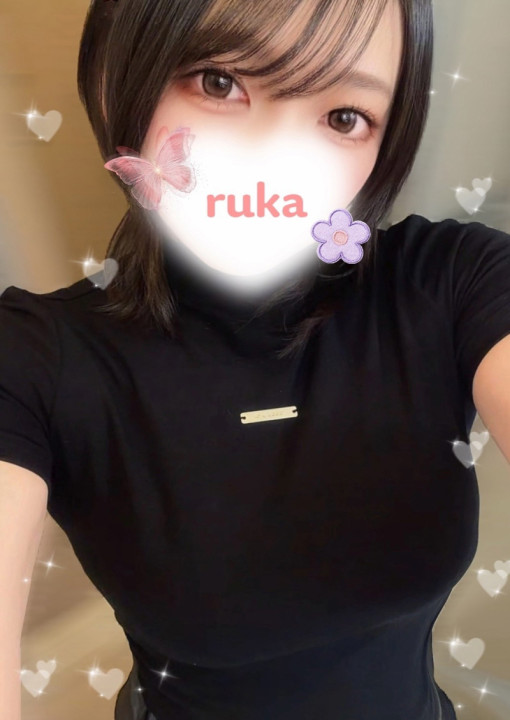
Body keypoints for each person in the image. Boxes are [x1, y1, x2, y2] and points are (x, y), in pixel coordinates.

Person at [1, 1, 510, 719]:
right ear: (120, 85)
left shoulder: (451, 280)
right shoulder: (35, 356)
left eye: (344, 117)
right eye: (219, 81)